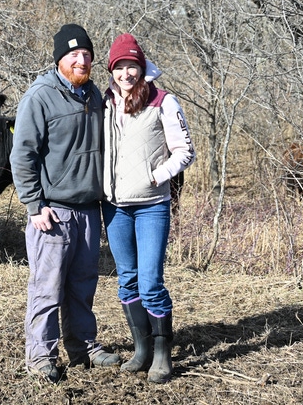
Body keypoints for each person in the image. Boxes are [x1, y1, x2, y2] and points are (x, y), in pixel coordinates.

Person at [10, 23, 120, 384]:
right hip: (53, 213)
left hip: (89, 209)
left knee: (83, 283)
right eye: (73, 54)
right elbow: (22, 156)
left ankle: (83, 346)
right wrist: (33, 204)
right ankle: (40, 354)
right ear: (59, 59)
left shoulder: (95, 96)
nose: (81, 60)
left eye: (86, 55)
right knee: (47, 287)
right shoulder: (39, 97)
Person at [101, 33, 196, 383]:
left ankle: (161, 352)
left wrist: (158, 176)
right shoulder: (105, 102)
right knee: (126, 280)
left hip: (151, 206)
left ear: (142, 67)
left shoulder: (163, 101)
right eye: (119, 67)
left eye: (132, 66)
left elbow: (185, 151)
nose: (126, 73)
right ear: (111, 70)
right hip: (114, 207)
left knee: (151, 281)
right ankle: (140, 349)